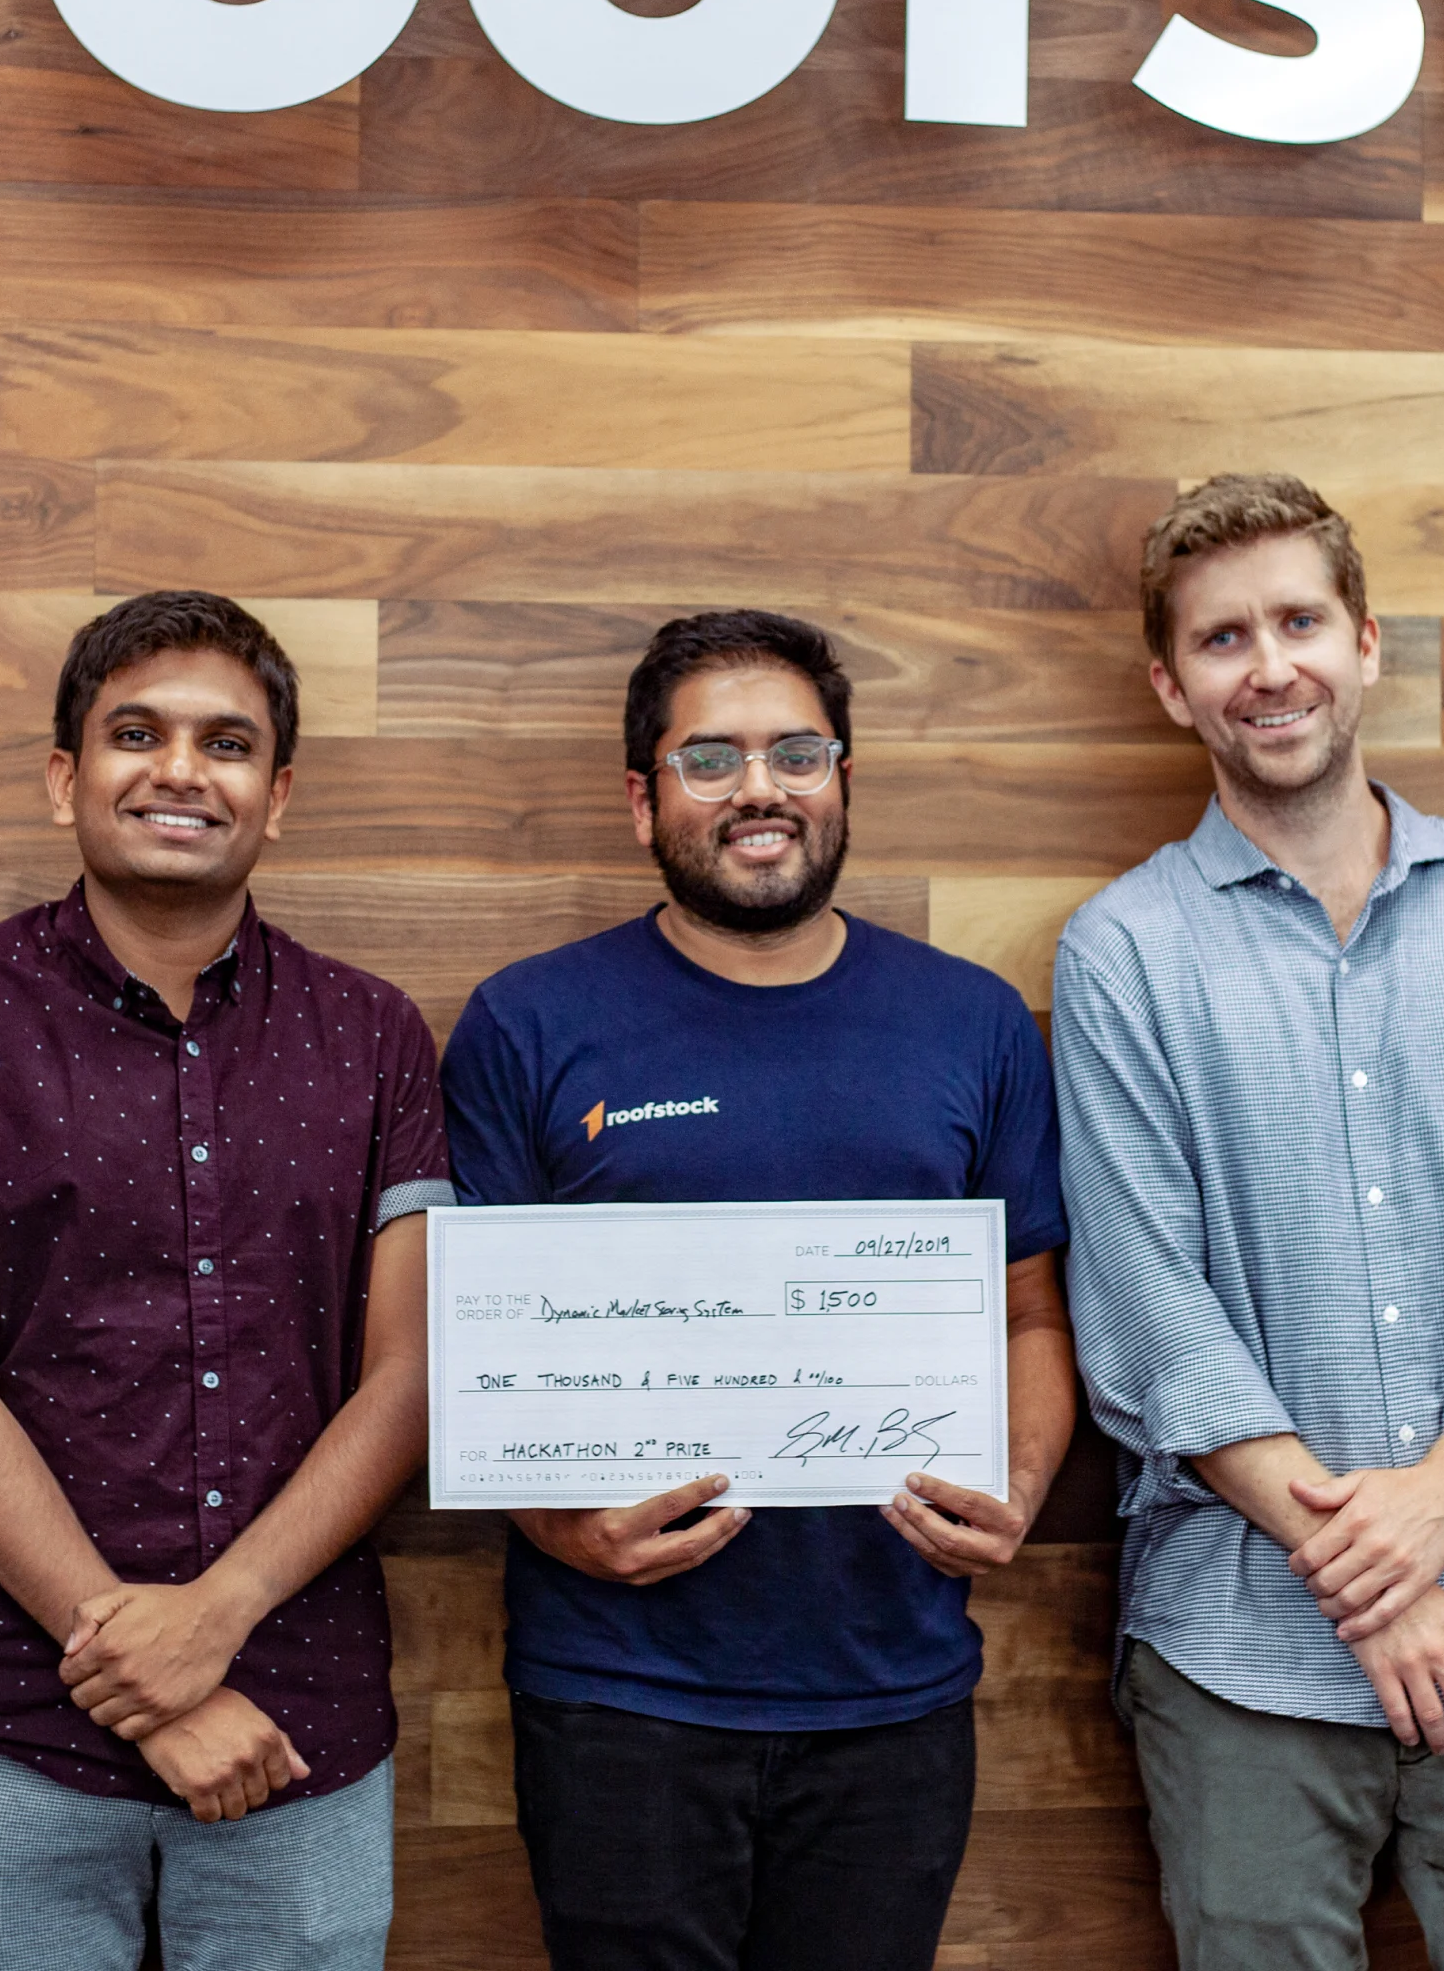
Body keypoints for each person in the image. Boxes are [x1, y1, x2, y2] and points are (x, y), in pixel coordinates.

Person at [1050, 474, 1444, 1970]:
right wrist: (1377, 1585)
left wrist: (1438, 1507)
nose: (1270, 667)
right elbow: (1148, 1319)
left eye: (1301, 621)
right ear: (1171, 685)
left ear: (1369, 643)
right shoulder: (1122, 954)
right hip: (1235, 1644)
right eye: (1222, 639)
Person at [438, 609, 1078, 1971]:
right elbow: (468, 1339)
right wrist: (558, 1528)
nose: (761, 789)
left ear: (843, 778)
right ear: (643, 798)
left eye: (797, 751)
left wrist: (1016, 1485)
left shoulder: (968, 1024)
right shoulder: (528, 1022)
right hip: (620, 1688)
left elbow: (1031, 1312)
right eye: (710, 759)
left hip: (891, 1682)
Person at [0, 592, 444, 1971]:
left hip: (299, 1709)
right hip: (12, 1719)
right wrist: (153, 1689)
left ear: (276, 796)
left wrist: (210, 1626)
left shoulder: (375, 1035)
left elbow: (409, 1378)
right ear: (66, 778)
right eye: (135, 733)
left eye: (226, 743)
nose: (181, 769)